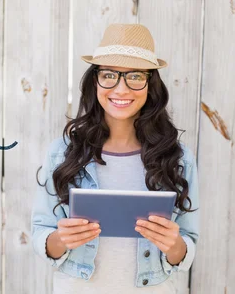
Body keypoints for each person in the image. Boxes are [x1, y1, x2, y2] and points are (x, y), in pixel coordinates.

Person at [31, 23, 199, 293]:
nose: (121, 89)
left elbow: (186, 245)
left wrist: (174, 244)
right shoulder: (62, 153)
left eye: (135, 76)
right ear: (95, 80)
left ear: (150, 84)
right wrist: (61, 238)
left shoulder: (178, 158)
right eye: (109, 75)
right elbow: (41, 234)